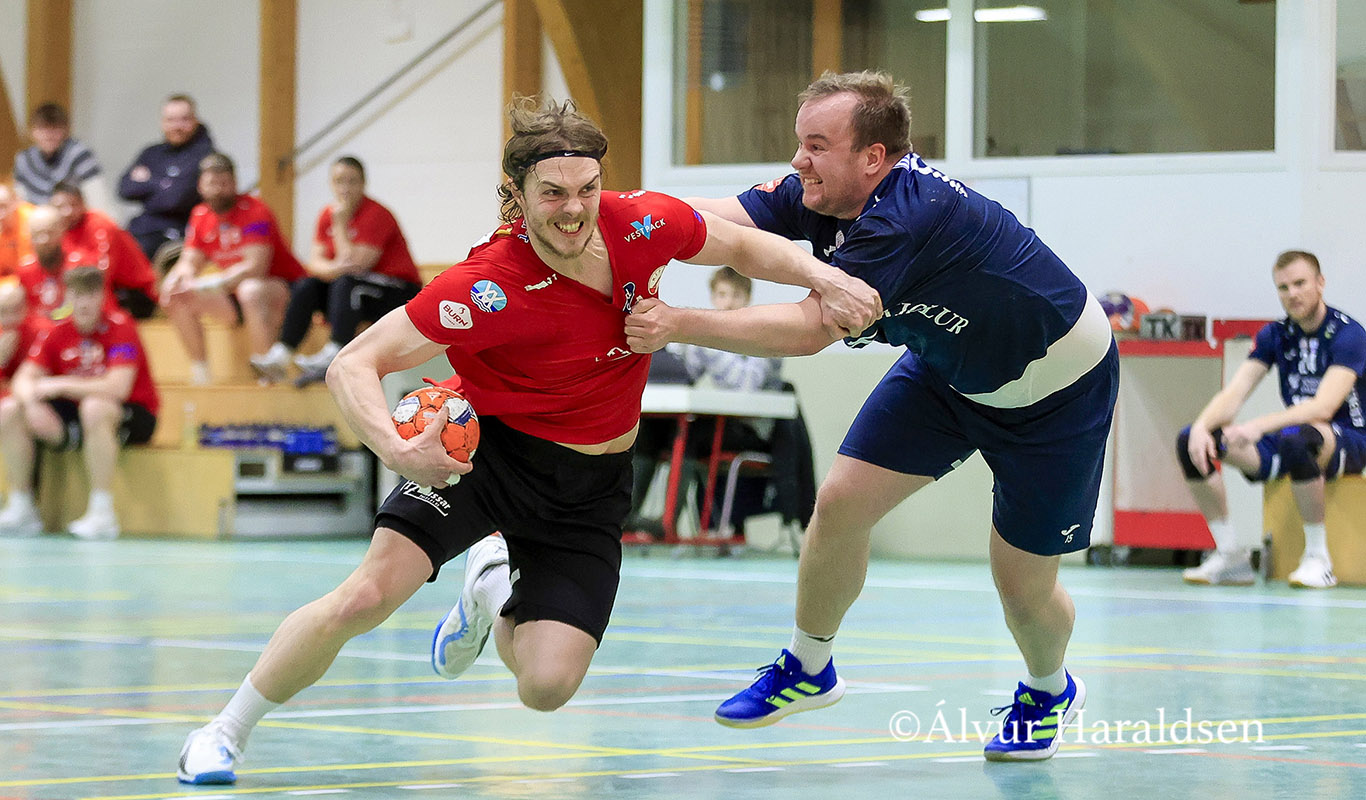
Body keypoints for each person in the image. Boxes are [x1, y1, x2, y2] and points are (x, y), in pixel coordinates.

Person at [174, 96, 880, 786]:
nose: (574, 209)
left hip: (591, 489)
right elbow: (352, 363)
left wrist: (824, 276)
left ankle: (488, 588)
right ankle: (223, 732)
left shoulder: (642, 221)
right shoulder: (486, 284)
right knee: (364, 598)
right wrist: (398, 449)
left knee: (546, 687)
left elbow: (742, 245)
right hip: (488, 456)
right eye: (552, 193)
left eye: (587, 189)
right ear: (516, 195)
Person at [625, 71, 1117, 762]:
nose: (798, 161)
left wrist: (677, 321)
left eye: (816, 146)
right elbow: (717, 219)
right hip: (947, 369)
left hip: (1055, 394)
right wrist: (617, 211)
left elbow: (809, 330)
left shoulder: (905, 218)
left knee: (1022, 587)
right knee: (839, 504)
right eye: (800, 143)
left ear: (872, 157)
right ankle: (809, 666)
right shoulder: (824, 191)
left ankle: (1048, 689)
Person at [1178, 251, 1365, 589]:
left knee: (1298, 439)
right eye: (1283, 287)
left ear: (1320, 283)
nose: (1292, 294)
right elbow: (1235, 393)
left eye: (1300, 284)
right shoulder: (1276, 335)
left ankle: (1318, 559)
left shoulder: (1348, 334)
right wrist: (1203, 426)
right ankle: (1230, 554)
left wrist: (1257, 426)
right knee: (1191, 440)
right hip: (1294, 435)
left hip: (1349, 439)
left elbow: (1324, 407)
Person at [0, 267, 158, 539]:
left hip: (132, 413)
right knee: (10, 410)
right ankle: (21, 506)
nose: (84, 303)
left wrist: (61, 384)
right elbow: (24, 379)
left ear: (102, 296)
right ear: (67, 296)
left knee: (95, 407)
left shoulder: (121, 327)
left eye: (90, 295)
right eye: (77, 294)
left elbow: (117, 387)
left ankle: (102, 512)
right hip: (77, 415)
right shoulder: (57, 331)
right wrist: (31, 406)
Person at [628, 266, 783, 534]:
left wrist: (710, 341)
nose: (728, 303)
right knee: (652, 430)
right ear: (712, 297)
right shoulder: (714, 336)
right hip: (722, 424)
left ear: (748, 298)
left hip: (754, 431)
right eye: (722, 295)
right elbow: (686, 376)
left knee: (692, 434)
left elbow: (746, 384)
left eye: (736, 295)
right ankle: (627, 517)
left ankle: (668, 523)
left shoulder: (763, 333)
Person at [252, 156, 422, 386]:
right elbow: (315, 264)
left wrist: (340, 224)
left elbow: (357, 264)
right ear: (331, 184)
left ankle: (334, 350)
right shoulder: (327, 214)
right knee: (308, 285)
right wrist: (336, 267)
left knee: (347, 283)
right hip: (356, 289)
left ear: (363, 183)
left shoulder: (376, 214)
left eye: (352, 181)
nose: (345, 188)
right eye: (339, 181)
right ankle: (281, 354)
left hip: (398, 293)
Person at [160, 153, 304, 385]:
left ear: (234, 183)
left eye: (224, 183)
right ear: (200, 186)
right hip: (234, 293)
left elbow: (256, 266)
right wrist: (175, 279)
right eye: (212, 183)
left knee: (251, 289)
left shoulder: (255, 210)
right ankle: (201, 374)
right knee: (176, 296)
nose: (218, 190)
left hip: (283, 290)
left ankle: (268, 372)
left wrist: (212, 283)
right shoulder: (200, 215)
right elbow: (189, 261)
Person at [118, 94, 217, 261]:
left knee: (139, 253)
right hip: (142, 229)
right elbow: (124, 189)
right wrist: (163, 183)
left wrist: (148, 181)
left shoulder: (205, 156)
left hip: (180, 235)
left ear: (195, 120)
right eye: (170, 120)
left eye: (184, 119)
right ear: (162, 122)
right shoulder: (151, 153)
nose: (177, 126)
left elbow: (175, 199)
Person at [51, 182, 159, 318]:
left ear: (83, 204)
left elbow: (101, 273)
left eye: (73, 205)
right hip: (92, 293)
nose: (67, 212)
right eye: (60, 207)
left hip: (134, 293)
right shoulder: (58, 230)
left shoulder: (100, 225)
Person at [12, 103, 109, 209]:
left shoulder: (79, 155)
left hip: (71, 215)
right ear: (32, 131)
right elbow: (20, 200)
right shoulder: (24, 159)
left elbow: (97, 199)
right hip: (36, 216)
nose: (48, 136)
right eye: (42, 129)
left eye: (55, 129)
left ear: (66, 130)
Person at [0, 279, 52, 396]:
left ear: (26, 307)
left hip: (35, 392)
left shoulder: (44, 331)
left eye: (15, 310)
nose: (10, 318)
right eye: (3, 311)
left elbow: (47, 375)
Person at [0, 180, 35, 278]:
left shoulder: (32, 219)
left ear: (15, 203)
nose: (1, 214)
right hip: (13, 280)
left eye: (3, 206)